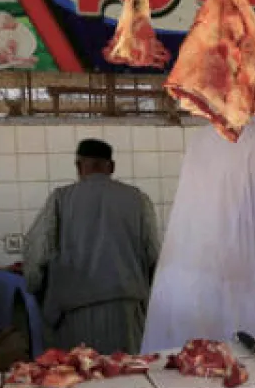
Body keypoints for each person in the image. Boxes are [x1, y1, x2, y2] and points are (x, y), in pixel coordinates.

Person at [141, 63, 255, 351]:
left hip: (175, 302)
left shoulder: (203, 137)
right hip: (234, 311)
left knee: (175, 386)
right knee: (233, 385)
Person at [22, 139, 159, 354]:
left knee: (80, 376)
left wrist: (35, 292)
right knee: (129, 377)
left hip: (74, 315)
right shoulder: (138, 199)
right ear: (111, 167)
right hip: (127, 313)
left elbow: (37, 254)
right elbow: (154, 256)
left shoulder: (61, 199)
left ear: (78, 167)